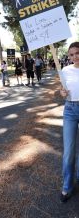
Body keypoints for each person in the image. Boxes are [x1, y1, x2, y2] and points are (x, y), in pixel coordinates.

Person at [60, 42, 79, 202]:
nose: (75, 57)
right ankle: (67, 187)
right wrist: (61, 92)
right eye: (72, 54)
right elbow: (62, 90)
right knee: (69, 151)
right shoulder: (65, 71)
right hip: (70, 110)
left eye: (77, 53)